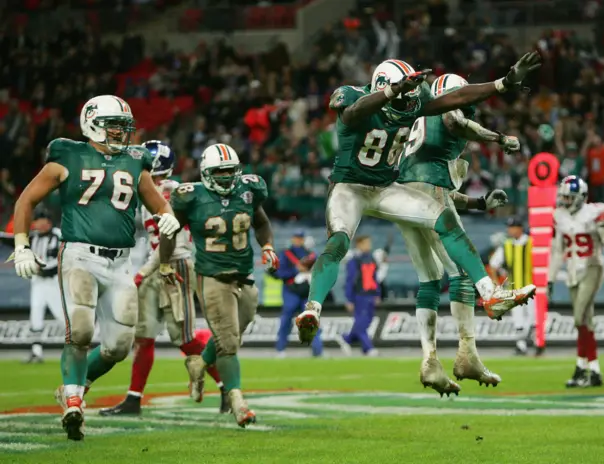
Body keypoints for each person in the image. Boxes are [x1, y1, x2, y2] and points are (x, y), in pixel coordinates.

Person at [295, 54, 542, 344]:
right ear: (383, 89)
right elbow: (352, 113)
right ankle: (312, 309)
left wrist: (504, 82)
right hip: (350, 187)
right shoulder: (352, 96)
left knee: (445, 217)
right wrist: (391, 92)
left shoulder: (411, 96)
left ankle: (489, 294)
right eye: (401, 98)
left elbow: (457, 98)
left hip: (386, 187)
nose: (410, 105)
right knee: (338, 241)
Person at [10, 95, 181, 441]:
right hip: (79, 256)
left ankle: (77, 386)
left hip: (120, 261)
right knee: (82, 329)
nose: (122, 133)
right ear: (92, 124)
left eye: (125, 127)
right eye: (115, 126)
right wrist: (21, 245)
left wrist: (169, 219)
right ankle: (74, 401)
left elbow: (159, 203)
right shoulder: (68, 154)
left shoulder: (135, 160)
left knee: (118, 346)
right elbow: (26, 199)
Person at [395, 74, 519, 396]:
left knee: (429, 280)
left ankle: (430, 361)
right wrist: (498, 138)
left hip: (404, 196)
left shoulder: (420, 125)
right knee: (462, 272)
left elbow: (445, 192)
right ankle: (467, 354)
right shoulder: (446, 110)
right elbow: (456, 119)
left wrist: (479, 203)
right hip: (429, 191)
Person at [98, 141, 229, 417]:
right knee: (143, 338)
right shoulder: (148, 193)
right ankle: (134, 400)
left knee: (186, 340)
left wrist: (141, 273)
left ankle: (228, 386)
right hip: (156, 267)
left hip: (175, 267)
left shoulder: (172, 193)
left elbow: (169, 243)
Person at [160, 143, 279, 428]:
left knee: (237, 329)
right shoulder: (190, 197)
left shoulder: (249, 190)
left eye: (230, 171)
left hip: (244, 273)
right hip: (211, 277)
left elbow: (260, 221)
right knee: (228, 343)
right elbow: (169, 228)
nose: (226, 176)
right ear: (206, 173)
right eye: (219, 171)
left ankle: (199, 364)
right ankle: (237, 401)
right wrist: (164, 263)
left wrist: (268, 246)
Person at [548, 175, 604, 388]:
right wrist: (550, 279)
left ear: (580, 197)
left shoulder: (595, 213)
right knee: (585, 322)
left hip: (592, 267)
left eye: (569, 198)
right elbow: (557, 251)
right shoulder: (560, 216)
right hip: (572, 271)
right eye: (563, 197)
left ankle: (582, 368)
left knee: (580, 318)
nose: (565, 201)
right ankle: (593, 371)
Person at [489, 217, 535, 355]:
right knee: (518, 319)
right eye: (509, 228)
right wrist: (497, 283)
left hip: (532, 288)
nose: (509, 230)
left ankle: (534, 342)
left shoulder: (533, 242)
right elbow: (493, 265)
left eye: (512, 227)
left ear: (520, 228)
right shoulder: (506, 245)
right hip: (514, 289)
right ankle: (521, 346)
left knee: (532, 318)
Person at [274, 229, 322, 357]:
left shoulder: (310, 254)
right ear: (292, 238)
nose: (298, 240)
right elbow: (280, 273)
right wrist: (295, 270)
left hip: (307, 292)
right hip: (291, 291)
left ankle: (317, 351)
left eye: (300, 238)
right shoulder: (286, 254)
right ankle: (280, 349)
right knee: (286, 319)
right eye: (296, 237)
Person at [26, 207, 64, 363]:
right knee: (35, 313)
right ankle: (36, 351)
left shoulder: (57, 235)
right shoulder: (32, 237)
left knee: (61, 315)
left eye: (41, 221)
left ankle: (80, 344)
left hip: (53, 281)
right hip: (37, 282)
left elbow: (61, 258)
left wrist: (42, 268)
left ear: (48, 222)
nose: (37, 224)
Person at [340, 235, 380, 356]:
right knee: (361, 322)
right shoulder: (354, 261)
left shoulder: (372, 259)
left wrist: (378, 294)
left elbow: (375, 278)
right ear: (359, 245)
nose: (369, 246)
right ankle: (368, 348)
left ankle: (347, 338)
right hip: (360, 295)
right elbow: (350, 281)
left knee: (367, 321)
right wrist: (349, 299)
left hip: (371, 294)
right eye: (366, 243)